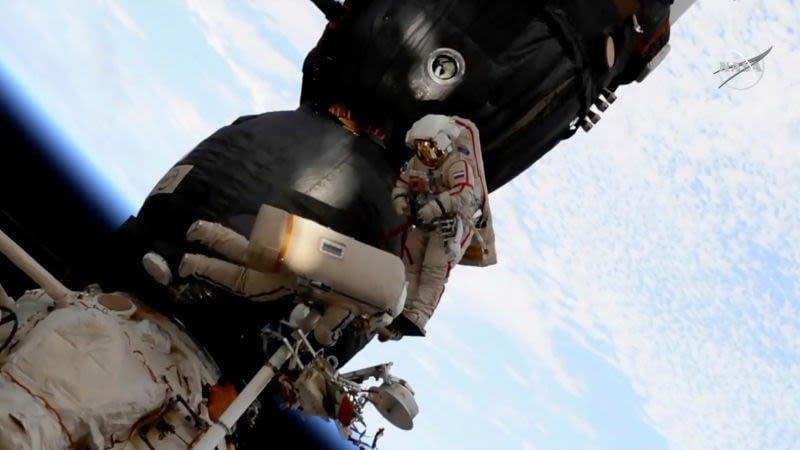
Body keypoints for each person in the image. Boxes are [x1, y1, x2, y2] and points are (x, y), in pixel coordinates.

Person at [380, 114, 484, 340]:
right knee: (410, 263)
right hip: (425, 222)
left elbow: (464, 193)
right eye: (421, 148)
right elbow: (403, 183)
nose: (426, 154)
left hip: (452, 224)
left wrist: (436, 207)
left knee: (434, 270)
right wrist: (400, 200)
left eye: (430, 148)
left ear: (444, 144)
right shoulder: (418, 163)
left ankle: (419, 314)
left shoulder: (458, 163)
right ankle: (401, 306)